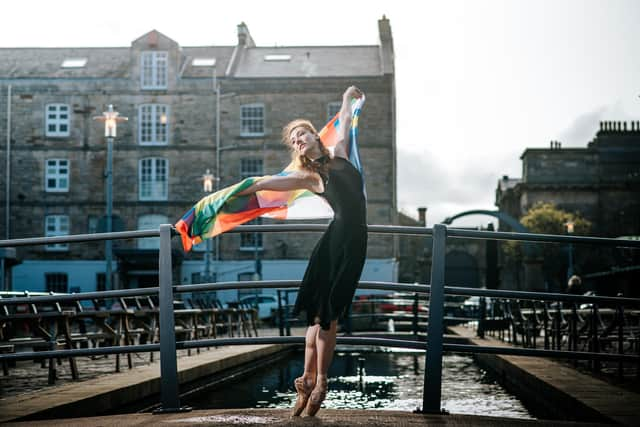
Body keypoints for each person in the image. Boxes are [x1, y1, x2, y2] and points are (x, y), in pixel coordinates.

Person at [236, 85, 367, 417]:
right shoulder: (310, 177)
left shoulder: (339, 152)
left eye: (302, 133)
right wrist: (239, 190)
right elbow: (268, 183)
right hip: (333, 242)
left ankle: (316, 382)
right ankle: (312, 383)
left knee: (328, 315)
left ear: (313, 133)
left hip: (352, 243)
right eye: (294, 140)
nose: (298, 140)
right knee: (318, 318)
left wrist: (346, 100)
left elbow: (345, 123)